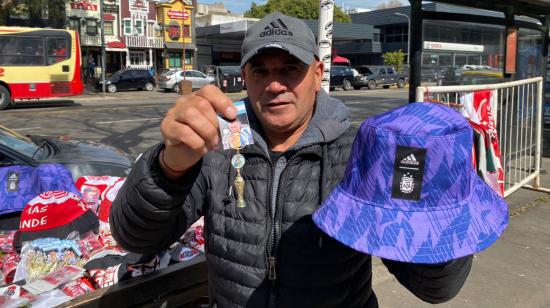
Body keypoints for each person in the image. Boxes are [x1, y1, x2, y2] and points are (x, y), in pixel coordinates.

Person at [110, 12, 473, 307]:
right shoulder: (215, 146)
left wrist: (435, 204)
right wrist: (169, 166)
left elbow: (434, 287)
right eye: (261, 71)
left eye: (289, 68)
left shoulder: (361, 152)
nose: (274, 85)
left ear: (317, 75)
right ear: (245, 77)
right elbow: (136, 238)